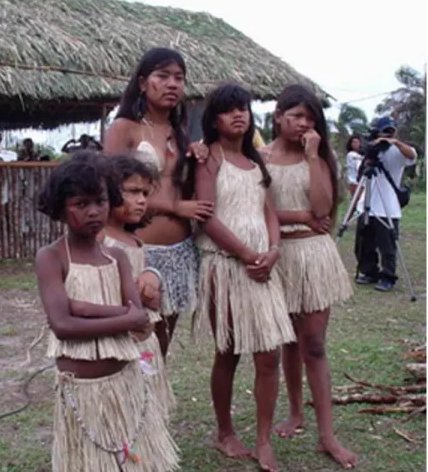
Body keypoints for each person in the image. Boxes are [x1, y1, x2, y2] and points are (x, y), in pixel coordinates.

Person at [36, 152, 179, 472]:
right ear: (59, 207)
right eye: (81, 203)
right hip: (81, 392)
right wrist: (122, 317)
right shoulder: (52, 257)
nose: (93, 211)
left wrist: (83, 308)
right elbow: (62, 325)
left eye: (100, 201)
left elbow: (140, 323)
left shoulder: (118, 258)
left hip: (124, 382)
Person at [193, 83, 295, 472]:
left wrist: (272, 250)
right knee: (230, 351)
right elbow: (206, 216)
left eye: (244, 109)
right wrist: (247, 253)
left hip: (262, 266)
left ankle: (264, 439)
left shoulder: (256, 164)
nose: (239, 115)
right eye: (229, 109)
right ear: (214, 119)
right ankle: (224, 432)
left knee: (269, 354)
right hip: (224, 264)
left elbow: (270, 213)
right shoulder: (209, 159)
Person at [261, 84, 357, 469]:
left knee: (313, 343)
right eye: (297, 115)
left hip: (313, 256)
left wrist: (314, 156)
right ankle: (295, 413)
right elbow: (254, 209)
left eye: (310, 117)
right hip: (275, 254)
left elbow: (322, 208)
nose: (303, 123)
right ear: (279, 116)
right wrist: (296, 218)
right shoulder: (260, 158)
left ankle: (327, 435)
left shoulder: (318, 158)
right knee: (286, 339)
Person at [104, 47, 211, 358]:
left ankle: (154, 405)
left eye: (179, 78)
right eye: (162, 76)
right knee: (137, 339)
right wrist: (175, 208)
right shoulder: (125, 127)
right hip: (141, 252)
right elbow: (110, 194)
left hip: (180, 251)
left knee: (161, 346)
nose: (172, 84)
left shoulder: (179, 132)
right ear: (142, 83)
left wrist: (197, 155)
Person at [101, 154, 176, 420]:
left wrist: (152, 280)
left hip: (144, 336)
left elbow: (152, 298)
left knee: (144, 407)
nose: (142, 199)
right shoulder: (100, 238)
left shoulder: (135, 240)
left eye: (145, 192)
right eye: (133, 191)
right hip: (116, 338)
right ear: (107, 191)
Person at [355, 117, 417, 291]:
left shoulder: (398, 151)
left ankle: (388, 276)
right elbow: (362, 173)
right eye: (385, 131)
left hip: (387, 206)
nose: (388, 134)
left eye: (391, 131)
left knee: (387, 245)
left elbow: (412, 155)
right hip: (367, 204)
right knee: (364, 242)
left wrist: (394, 142)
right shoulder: (372, 149)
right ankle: (369, 272)